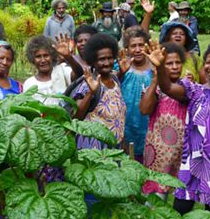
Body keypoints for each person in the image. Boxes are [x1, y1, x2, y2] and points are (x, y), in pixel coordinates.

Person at [145, 42, 210, 216]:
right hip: (189, 162)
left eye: (177, 63)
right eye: (208, 61)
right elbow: (167, 88)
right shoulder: (195, 90)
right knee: (180, 209)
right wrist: (159, 70)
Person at [140, 42, 187, 200]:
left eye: (177, 62)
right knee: (156, 200)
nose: (174, 67)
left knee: (181, 201)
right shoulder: (156, 88)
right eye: (169, 63)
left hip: (182, 153)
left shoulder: (187, 87)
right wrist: (155, 78)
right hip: (159, 156)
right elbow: (145, 109)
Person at [73, 33, 126, 150]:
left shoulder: (115, 79)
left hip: (113, 148)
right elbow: (76, 118)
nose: (107, 63)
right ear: (93, 61)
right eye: (102, 59)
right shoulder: (87, 84)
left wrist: (123, 72)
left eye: (110, 58)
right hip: (93, 149)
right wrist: (90, 93)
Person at [119, 26, 153, 163]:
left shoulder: (154, 67)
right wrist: (121, 72)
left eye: (141, 45)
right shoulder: (122, 67)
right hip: (127, 124)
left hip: (149, 124)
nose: (138, 49)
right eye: (133, 46)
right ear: (127, 48)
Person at [23, 35, 78, 105]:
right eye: (38, 56)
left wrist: (68, 57)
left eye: (46, 55)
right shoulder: (29, 83)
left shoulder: (62, 70)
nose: (43, 60)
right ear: (32, 59)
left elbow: (78, 74)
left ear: (52, 56)